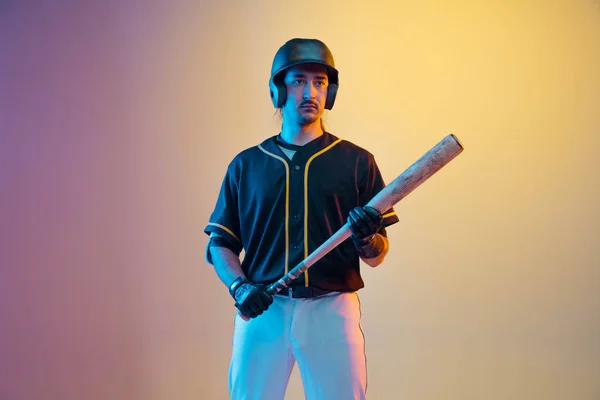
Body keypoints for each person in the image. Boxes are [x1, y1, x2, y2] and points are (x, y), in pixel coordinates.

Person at [204, 38, 399, 400]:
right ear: (279, 89)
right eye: (298, 81)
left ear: (330, 91)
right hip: (263, 308)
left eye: (320, 82)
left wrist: (365, 239)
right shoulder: (247, 165)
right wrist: (240, 287)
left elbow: (377, 256)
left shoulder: (357, 162)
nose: (310, 92)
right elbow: (220, 244)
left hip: (332, 308)